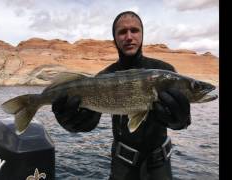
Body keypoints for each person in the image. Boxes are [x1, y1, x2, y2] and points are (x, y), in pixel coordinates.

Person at [51, 11, 191, 180]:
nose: (129, 36)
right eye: (122, 32)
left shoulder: (165, 70)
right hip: (122, 165)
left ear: (142, 35)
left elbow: (182, 120)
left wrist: (181, 121)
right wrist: (73, 124)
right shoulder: (104, 76)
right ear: (115, 39)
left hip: (160, 165)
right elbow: (90, 120)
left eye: (135, 30)